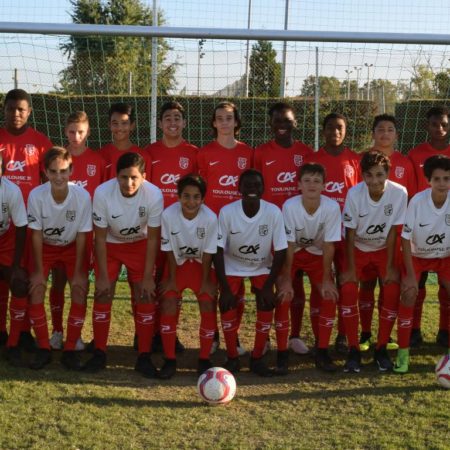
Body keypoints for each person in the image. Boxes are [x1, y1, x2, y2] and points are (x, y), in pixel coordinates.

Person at [84, 152, 163, 378]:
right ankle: (99, 352)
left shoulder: (154, 194)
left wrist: (147, 277)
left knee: (145, 295)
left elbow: (153, 239)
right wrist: (101, 277)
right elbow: (99, 238)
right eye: (123, 177)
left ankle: (144, 356)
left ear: (144, 177)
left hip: (140, 245)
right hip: (110, 244)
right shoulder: (102, 192)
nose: (129, 183)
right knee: (103, 293)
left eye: (134, 177)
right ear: (115, 176)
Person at [214, 169, 288, 376]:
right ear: (239, 188)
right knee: (227, 304)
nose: (252, 189)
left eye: (257, 185)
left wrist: (268, 286)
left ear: (263, 188)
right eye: (247, 185)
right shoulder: (227, 212)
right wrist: (225, 289)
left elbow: (281, 250)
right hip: (232, 266)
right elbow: (217, 250)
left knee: (266, 302)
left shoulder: (273, 212)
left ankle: (257, 358)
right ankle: (232, 357)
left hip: (261, 266)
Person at [254, 102, 313, 355]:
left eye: (287, 121)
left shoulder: (306, 152)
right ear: (270, 123)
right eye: (277, 120)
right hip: (268, 227)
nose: (282, 125)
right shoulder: (260, 153)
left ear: (295, 123)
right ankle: (266, 337)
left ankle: (294, 335)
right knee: (266, 284)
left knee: (294, 282)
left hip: (297, 228)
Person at [340, 150, 407, 373]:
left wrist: (390, 267)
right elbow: (350, 233)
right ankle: (353, 349)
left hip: (383, 249)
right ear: (362, 176)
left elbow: (394, 231)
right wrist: (350, 269)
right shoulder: (354, 193)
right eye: (369, 175)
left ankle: (381, 348)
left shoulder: (399, 193)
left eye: (379, 174)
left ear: (387, 173)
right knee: (348, 289)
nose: (375, 180)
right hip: (358, 248)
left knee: (392, 288)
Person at [26, 147, 92, 370]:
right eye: (53, 171)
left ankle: (70, 348)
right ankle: (44, 348)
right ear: (45, 172)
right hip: (45, 248)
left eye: (63, 171)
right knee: (36, 287)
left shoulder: (82, 196)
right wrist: (37, 271)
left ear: (71, 170)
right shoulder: (36, 195)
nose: (58, 176)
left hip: (72, 247)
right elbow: (36, 234)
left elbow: (82, 235)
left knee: (79, 288)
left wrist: (80, 272)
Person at [197, 101, 253, 355]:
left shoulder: (247, 153)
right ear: (213, 123)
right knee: (211, 284)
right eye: (219, 118)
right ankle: (213, 334)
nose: (224, 122)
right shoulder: (204, 153)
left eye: (229, 118)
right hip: (212, 227)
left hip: (240, 227)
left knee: (236, 286)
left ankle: (234, 334)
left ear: (236, 122)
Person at [358, 114, 416, 352]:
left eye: (390, 129)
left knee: (388, 283)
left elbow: (411, 200)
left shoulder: (405, 163)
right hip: (365, 235)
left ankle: (386, 334)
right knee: (366, 284)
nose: (385, 133)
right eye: (380, 129)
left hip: (394, 236)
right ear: (373, 133)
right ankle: (364, 333)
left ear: (396, 135)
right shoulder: (361, 160)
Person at [48, 111, 105, 351]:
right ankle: (57, 331)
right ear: (65, 132)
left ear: (88, 132)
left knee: (80, 284)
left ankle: (76, 333)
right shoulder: (58, 159)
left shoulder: (97, 161)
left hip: (85, 234)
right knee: (58, 282)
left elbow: (102, 197)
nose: (76, 136)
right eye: (72, 132)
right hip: (59, 233)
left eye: (80, 131)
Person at [0, 88, 52, 349]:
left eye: (21, 109)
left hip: (29, 224)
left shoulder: (41, 142)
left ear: (29, 111)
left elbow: (49, 180)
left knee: (26, 278)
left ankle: (23, 331)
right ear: (4, 110)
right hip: (3, 223)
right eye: (11, 108)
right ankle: (2, 330)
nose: (16, 113)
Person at [305, 113, 361, 354]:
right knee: (321, 284)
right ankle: (320, 335)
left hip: (347, 234)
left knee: (346, 283)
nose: (335, 132)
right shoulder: (313, 159)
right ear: (323, 130)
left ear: (346, 130)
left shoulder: (355, 160)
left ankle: (343, 335)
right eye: (330, 127)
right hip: (320, 235)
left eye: (340, 128)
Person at [145, 101, 198, 353]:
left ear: (184, 122)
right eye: (168, 118)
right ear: (160, 123)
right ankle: (147, 332)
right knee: (152, 280)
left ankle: (169, 332)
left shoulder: (193, 153)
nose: (173, 122)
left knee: (173, 284)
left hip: (182, 231)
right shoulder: (150, 152)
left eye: (177, 118)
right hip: (154, 228)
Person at [280, 163, 341, 371]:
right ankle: (282, 352)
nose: (312, 185)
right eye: (307, 181)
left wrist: (327, 279)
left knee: (329, 295)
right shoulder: (290, 206)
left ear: (324, 186)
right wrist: (286, 279)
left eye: (316, 181)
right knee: (284, 295)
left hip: (317, 255)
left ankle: (322, 350)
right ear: (299, 185)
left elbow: (329, 245)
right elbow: (288, 244)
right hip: (294, 253)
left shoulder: (332, 207)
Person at [158, 174, 218, 378]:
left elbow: (209, 252)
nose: (191, 201)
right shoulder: (168, 215)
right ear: (178, 196)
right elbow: (168, 248)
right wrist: (171, 280)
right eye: (186, 196)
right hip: (178, 264)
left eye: (196, 197)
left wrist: (206, 282)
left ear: (203, 199)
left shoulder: (210, 218)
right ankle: (169, 359)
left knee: (208, 302)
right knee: (168, 302)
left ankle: (204, 359)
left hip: (201, 266)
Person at [397, 154, 450, 373]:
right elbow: (404, 238)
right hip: (417, 256)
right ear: (428, 180)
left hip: (445, 257)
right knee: (409, 294)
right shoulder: (418, 201)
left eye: (447, 178)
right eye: (437, 179)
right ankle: (403, 354)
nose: (442, 183)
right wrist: (410, 276)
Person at [408, 106, 450, 347]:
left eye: (444, 124)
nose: (440, 129)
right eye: (435, 124)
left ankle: (445, 330)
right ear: (427, 126)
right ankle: (414, 330)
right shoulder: (415, 155)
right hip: (421, 228)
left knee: (446, 284)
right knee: (418, 283)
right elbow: (412, 190)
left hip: (446, 228)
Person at [0, 152, 30, 366]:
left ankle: (13, 342)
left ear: (3, 170)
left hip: (7, 243)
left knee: (19, 284)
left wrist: (17, 265)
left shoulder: (11, 190)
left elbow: (21, 227)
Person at [99, 102, 151, 180]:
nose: (119, 128)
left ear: (132, 125)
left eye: (124, 123)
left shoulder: (143, 156)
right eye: (115, 123)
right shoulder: (100, 155)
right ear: (109, 125)